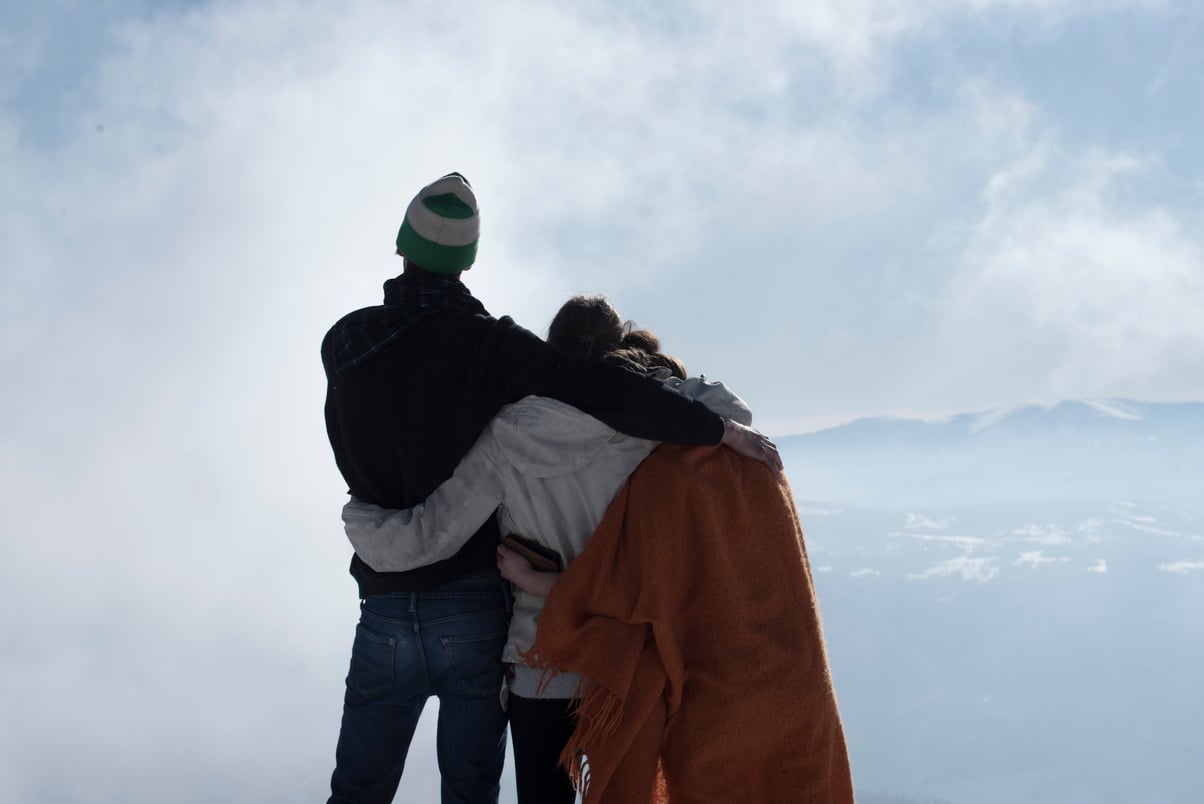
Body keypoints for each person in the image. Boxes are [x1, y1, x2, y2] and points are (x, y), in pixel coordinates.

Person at [321, 174, 778, 804]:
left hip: (409, 609)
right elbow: (595, 392)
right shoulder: (494, 347)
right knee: (473, 790)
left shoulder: (347, 341)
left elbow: (407, 493)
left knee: (359, 790)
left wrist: (364, 522)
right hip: (516, 620)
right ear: (469, 259)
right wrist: (714, 427)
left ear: (401, 244)